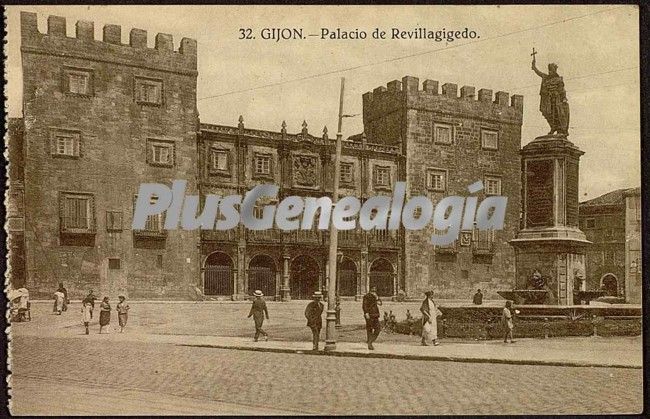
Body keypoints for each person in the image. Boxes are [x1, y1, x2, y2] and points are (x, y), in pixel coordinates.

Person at [531, 55, 570, 135]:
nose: (550, 71)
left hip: (557, 100)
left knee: (558, 114)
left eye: (551, 70)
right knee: (547, 113)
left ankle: (560, 129)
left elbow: (562, 91)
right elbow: (539, 73)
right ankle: (553, 127)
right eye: (549, 70)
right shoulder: (546, 77)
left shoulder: (558, 79)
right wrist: (534, 66)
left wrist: (564, 99)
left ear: (554, 70)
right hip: (548, 100)